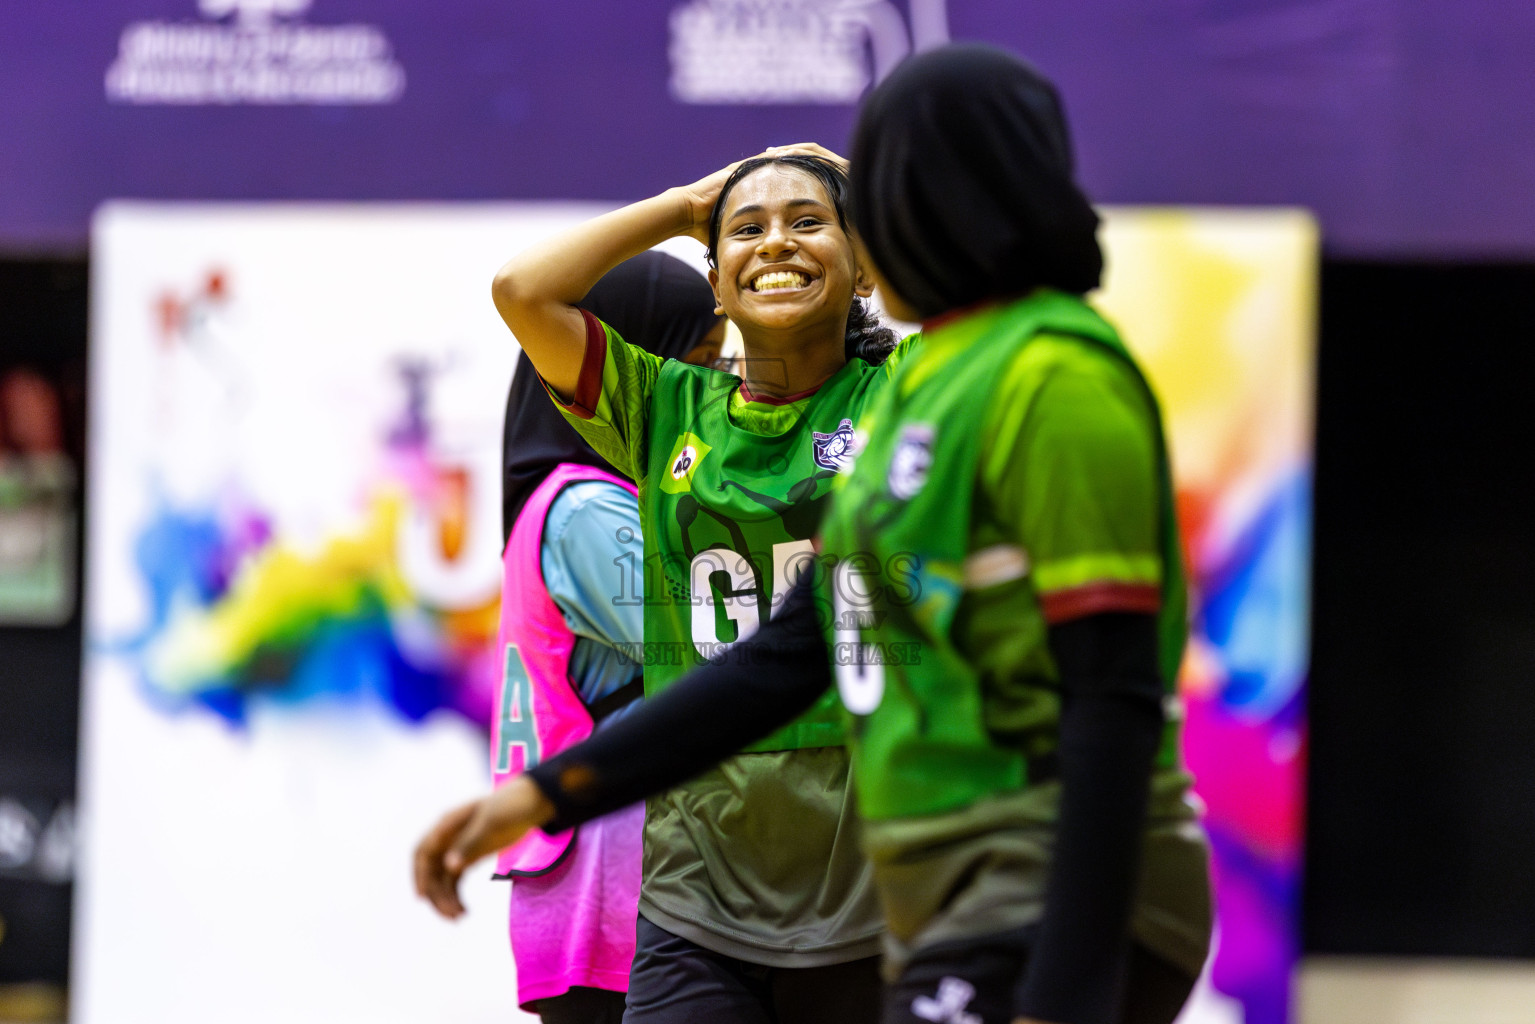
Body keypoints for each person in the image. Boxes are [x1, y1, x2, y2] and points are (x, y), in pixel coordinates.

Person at [416, 46, 1213, 1024]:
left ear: (906, 226)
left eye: (836, 210)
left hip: (997, 889)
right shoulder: (915, 387)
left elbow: (1112, 701)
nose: (786, 241)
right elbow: (788, 651)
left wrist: (1064, 990)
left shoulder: (1026, 376)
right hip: (824, 891)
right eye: (747, 227)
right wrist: (551, 791)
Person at [420, 151, 911, 1023]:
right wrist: (686, 205)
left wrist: (871, 208)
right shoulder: (664, 408)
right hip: (696, 899)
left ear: (864, 263)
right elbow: (522, 291)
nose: (776, 244)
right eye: (747, 231)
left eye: (808, 222)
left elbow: (972, 309)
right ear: (715, 285)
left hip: (874, 887)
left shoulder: (910, 396)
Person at [474, 252, 723, 1024]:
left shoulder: (569, 500)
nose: (713, 392)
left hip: (589, 880)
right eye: (697, 365)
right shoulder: (588, 512)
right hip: (609, 891)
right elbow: (718, 649)